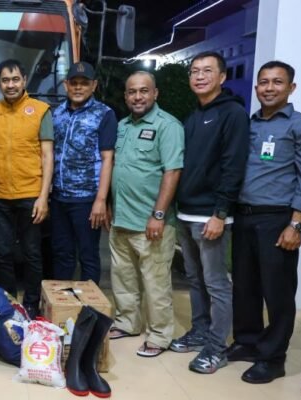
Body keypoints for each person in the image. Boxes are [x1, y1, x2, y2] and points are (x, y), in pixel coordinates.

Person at [228, 61, 301, 384]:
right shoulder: (249, 124)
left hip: (277, 218)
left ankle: (273, 357)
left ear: (291, 88)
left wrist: (296, 224)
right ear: (255, 87)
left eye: (277, 82)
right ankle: (248, 341)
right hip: (244, 215)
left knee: (278, 291)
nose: (269, 88)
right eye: (263, 82)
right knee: (244, 285)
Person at [170, 51, 250, 374]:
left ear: (222, 77)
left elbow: (233, 166)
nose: (199, 76)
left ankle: (217, 347)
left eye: (207, 71)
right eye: (194, 71)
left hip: (211, 216)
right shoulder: (192, 117)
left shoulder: (232, 114)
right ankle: (200, 330)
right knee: (195, 279)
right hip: (187, 213)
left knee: (216, 282)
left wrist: (220, 213)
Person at [107, 71, 184, 358]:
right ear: (125, 96)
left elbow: (172, 170)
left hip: (151, 222)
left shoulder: (168, 126)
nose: (137, 97)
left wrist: (159, 214)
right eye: (132, 92)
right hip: (121, 219)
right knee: (123, 278)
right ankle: (128, 322)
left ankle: (160, 335)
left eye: (143, 91)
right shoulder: (123, 125)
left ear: (155, 94)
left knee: (155, 282)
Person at [0, 59, 54, 318]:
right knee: (2, 252)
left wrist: (43, 197)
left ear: (24, 81)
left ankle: (31, 302)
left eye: (15, 79)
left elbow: (47, 155)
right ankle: (9, 301)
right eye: (5, 80)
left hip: (31, 194)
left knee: (32, 253)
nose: (11, 85)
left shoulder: (40, 110)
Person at [50, 61, 116, 283]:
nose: (78, 88)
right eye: (74, 83)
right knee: (61, 255)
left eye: (84, 83)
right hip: (59, 198)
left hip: (87, 199)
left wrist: (101, 200)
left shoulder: (104, 114)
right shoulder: (56, 114)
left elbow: (108, 159)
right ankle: (61, 307)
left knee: (88, 256)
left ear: (94, 85)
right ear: (66, 85)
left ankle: (90, 312)